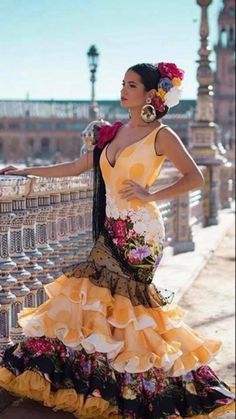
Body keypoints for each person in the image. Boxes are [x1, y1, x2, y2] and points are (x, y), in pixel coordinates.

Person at [0, 62, 234, 419]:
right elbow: (75, 167)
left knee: (131, 311)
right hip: (111, 230)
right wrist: (24, 170)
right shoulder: (114, 132)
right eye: (123, 84)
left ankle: (151, 389)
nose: (123, 90)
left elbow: (194, 178)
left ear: (150, 94)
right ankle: (104, 386)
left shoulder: (161, 135)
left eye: (132, 84)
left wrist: (153, 194)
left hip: (140, 234)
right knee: (99, 305)